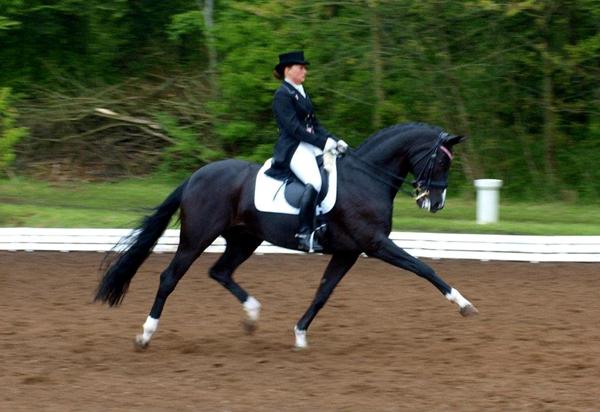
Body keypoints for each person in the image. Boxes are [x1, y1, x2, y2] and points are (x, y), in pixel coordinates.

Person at [265, 50, 348, 253]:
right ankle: (304, 234)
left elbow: (314, 125)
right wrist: (323, 143)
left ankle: (326, 222)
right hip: (293, 148)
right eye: (301, 68)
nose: (305, 71)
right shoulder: (282, 95)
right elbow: (295, 129)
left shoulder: (301, 91)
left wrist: (335, 141)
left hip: (308, 144)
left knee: (337, 172)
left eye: (305, 68)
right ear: (288, 70)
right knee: (315, 181)